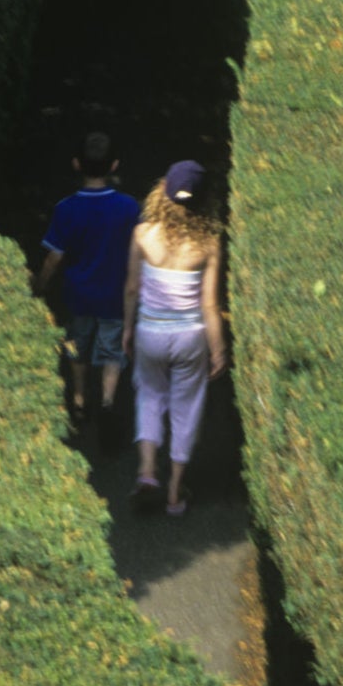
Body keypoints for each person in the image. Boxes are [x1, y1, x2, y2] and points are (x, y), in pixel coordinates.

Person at [123, 159, 226, 516]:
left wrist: (126, 329)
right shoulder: (209, 243)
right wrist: (218, 348)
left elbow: (133, 288)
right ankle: (174, 492)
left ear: (163, 191)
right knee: (186, 409)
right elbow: (210, 305)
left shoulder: (142, 235)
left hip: (149, 331)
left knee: (149, 397)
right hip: (189, 337)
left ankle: (147, 473)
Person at [34, 132, 141, 441]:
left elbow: (54, 258)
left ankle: (80, 400)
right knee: (111, 351)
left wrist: (40, 286)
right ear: (115, 165)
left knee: (77, 347)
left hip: (78, 295)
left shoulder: (66, 209)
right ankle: (107, 402)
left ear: (76, 164)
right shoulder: (128, 207)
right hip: (114, 295)